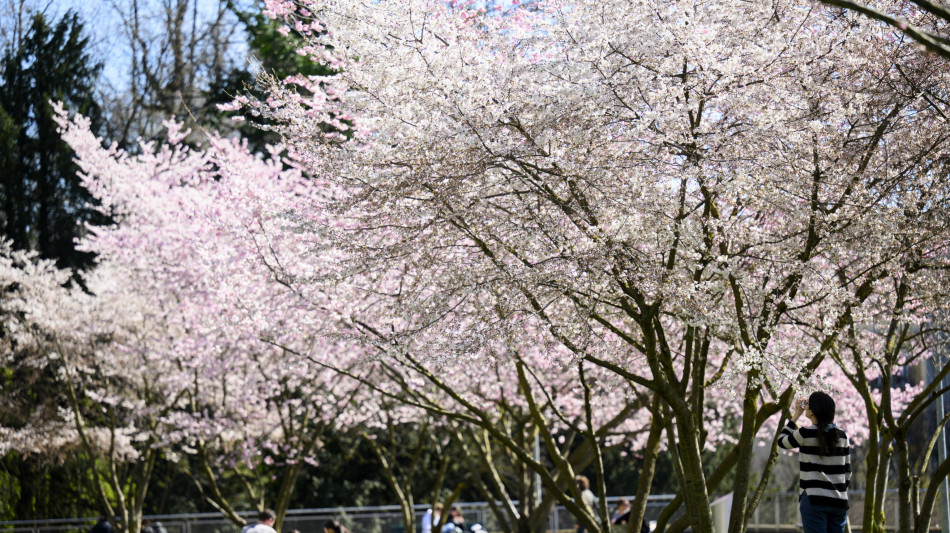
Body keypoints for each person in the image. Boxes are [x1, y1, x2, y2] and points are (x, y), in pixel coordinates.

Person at [778, 392, 852, 533]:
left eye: (808, 406)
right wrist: (837, 491)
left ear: (812, 411)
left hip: (814, 500)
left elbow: (782, 441)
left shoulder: (805, 433)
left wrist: (796, 415)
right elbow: (847, 471)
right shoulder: (842, 435)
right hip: (839, 501)